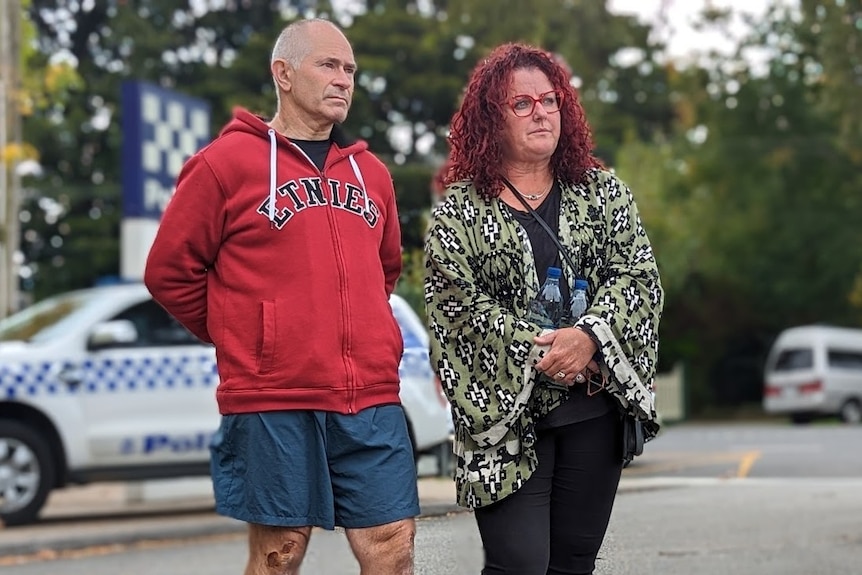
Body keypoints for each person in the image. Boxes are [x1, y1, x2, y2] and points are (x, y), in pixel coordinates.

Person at [144, 18, 418, 575]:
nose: (343, 79)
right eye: (328, 65)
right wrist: (249, 334)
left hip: (369, 395)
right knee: (279, 556)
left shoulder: (374, 175)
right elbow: (169, 272)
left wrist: (357, 328)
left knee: (392, 546)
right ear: (283, 73)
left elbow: (383, 271)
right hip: (274, 399)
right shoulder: (224, 166)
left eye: (350, 70)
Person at [424, 42, 664, 575]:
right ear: (492, 119)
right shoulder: (460, 211)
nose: (541, 113)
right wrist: (544, 350)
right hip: (505, 415)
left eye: (550, 101)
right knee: (520, 564)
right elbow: (455, 307)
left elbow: (639, 277)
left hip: (592, 408)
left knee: (573, 563)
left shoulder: (603, 194)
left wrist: (590, 337)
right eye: (522, 104)